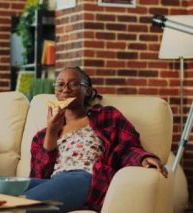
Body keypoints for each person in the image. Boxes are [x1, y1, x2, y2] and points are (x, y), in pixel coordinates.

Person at [24, 66, 168, 212]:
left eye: (73, 84)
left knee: (18, 206)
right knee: (1, 189)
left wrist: (143, 158)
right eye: (60, 84)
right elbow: (40, 175)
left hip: (85, 178)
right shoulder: (41, 136)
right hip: (55, 181)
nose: (65, 89)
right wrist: (52, 131)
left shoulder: (107, 117)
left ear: (87, 91)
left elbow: (128, 146)